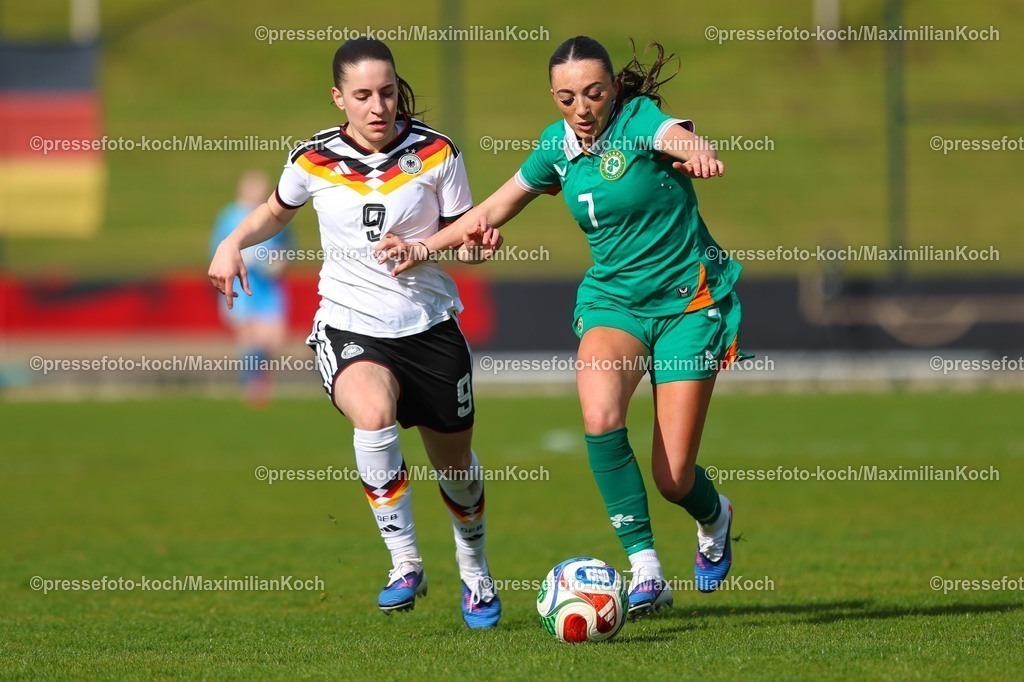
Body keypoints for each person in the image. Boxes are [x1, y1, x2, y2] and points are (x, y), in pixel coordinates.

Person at [377, 36, 746, 619]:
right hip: (613, 305)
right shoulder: (555, 148)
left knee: (673, 478)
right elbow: (490, 211)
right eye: (568, 96)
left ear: (614, 90)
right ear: (553, 97)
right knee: (600, 416)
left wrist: (698, 150)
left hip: (686, 305)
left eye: (595, 93)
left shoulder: (640, 120)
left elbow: (676, 136)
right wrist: (422, 248)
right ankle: (645, 568)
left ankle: (714, 517)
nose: (583, 107)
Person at [208, 38, 502, 629]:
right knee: (372, 415)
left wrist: (478, 237)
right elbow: (275, 209)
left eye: (388, 92)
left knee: (457, 469)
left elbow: (461, 229)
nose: (378, 106)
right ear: (338, 97)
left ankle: (475, 572)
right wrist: (232, 241)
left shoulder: (438, 153)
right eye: (363, 95)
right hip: (349, 325)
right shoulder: (313, 158)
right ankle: (405, 562)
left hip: (429, 327)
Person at [209, 170, 293, 408]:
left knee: (273, 338)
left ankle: (264, 383)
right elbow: (216, 249)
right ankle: (251, 386)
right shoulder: (229, 216)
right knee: (249, 336)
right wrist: (240, 257)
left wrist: (279, 263)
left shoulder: (276, 214)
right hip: (240, 284)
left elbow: (288, 247)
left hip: (269, 286)